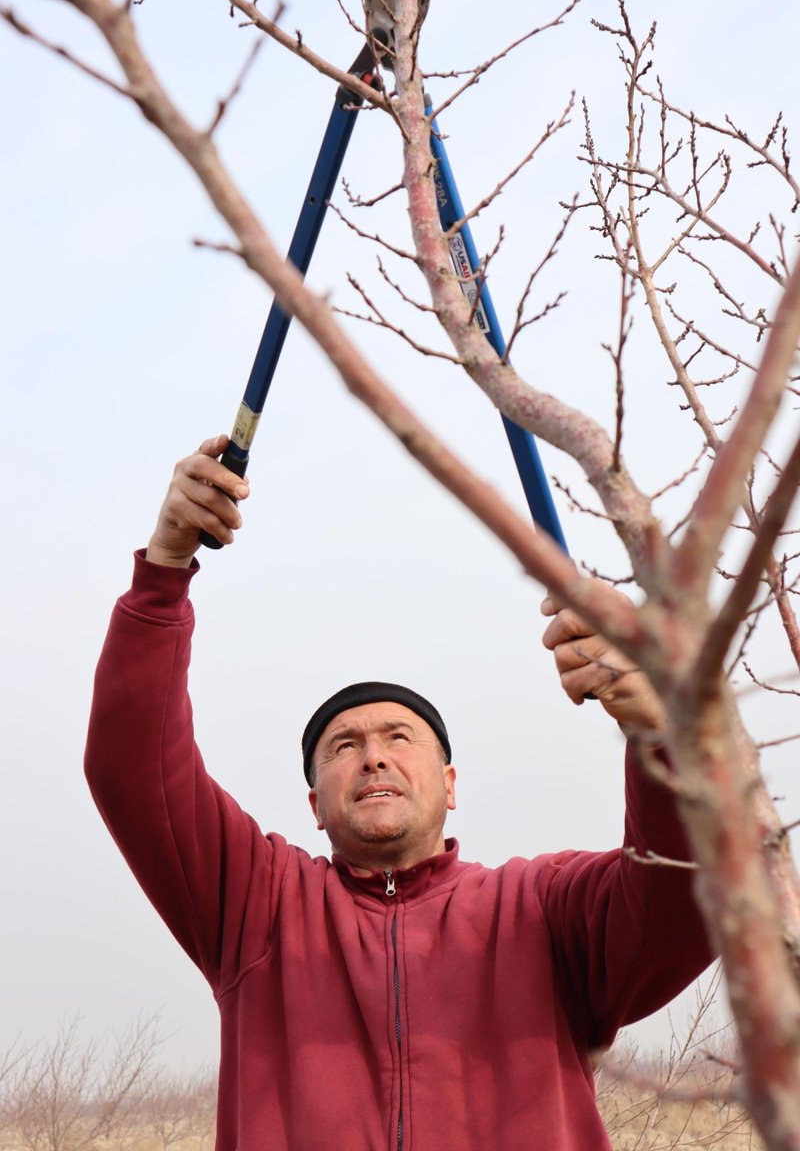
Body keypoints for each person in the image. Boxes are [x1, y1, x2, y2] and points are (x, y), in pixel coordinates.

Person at [85, 435, 711, 1151]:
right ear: (315, 806)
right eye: (344, 748)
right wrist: (163, 571)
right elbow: (131, 770)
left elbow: (687, 893)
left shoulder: (543, 910)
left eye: (398, 738)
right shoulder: (257, 907)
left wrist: (659, 734)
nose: (374, 757)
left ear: (450, 786)